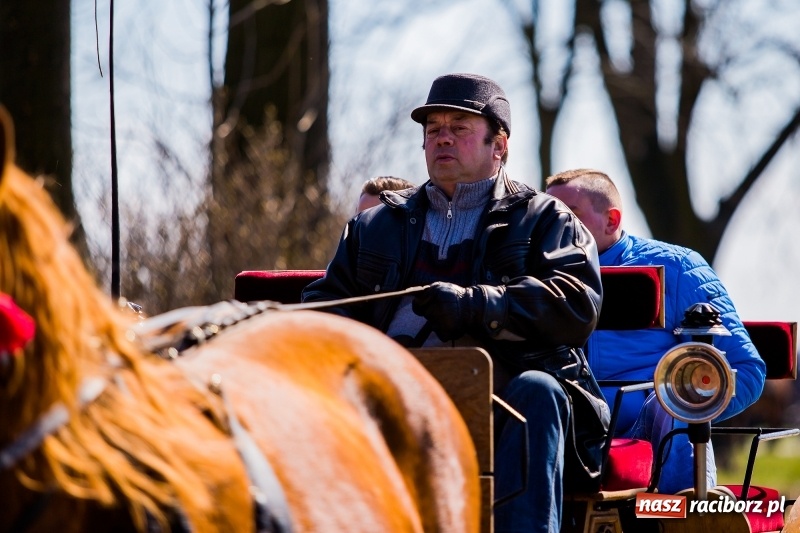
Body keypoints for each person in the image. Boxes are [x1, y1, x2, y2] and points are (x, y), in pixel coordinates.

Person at [303, 73, 608, 533]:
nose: (442, 137)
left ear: (499, 146)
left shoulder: (545, 218)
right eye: (433, 130)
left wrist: (475, 306)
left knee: (539, 392)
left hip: (503, 399)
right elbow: (327, 306)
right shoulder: (374, 226)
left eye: (459, 128)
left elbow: (575, 304)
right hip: (391, 394)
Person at [544, 168, 767, 494]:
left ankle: (682, 516)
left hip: (650, 431)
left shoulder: (679, 268)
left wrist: (690, 405)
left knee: (676, 395)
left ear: (611, 220)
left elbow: (746, 370)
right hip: (568, 422)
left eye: (569, 216)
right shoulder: (536, 279)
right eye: (547, 217)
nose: (554, 229)